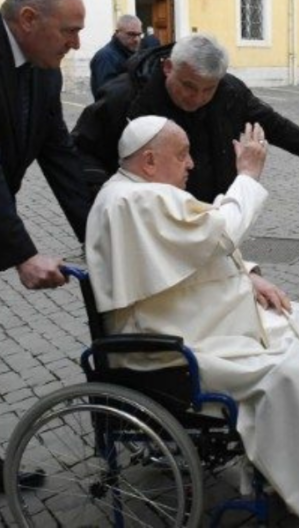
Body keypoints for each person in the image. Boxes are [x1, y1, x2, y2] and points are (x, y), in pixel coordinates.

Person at [85, 116, 299, 528]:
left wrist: (248, 276)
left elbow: (195, 248)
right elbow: (219, 232)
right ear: (149, 160)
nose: (191, 163)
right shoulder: (133, 200)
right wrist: (247, 175)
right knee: (286, 371)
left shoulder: (142, 192)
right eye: (182, 154)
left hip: (193, 315)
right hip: (167, 345)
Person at [73, 33, 299, 202]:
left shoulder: (229, 91)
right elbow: (82, 151)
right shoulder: (124, 97)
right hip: (151, 222)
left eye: (208, 89)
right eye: (189, 86)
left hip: (211, 213)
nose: (197, 97)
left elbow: (272, 123)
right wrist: (103, 200)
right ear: (168, 68)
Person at [0, 0, 90, 492]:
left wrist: (100, 236)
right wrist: (22, 253)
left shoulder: (44, 70)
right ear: (29, 20)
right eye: (70, 31)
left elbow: (60, 155)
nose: (76, 43)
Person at [89, 14, 142, 98]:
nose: (136, 39)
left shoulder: (131, 53)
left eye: (139, 35)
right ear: (117, 33)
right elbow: (108, 94)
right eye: (131, 34)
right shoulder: (105, 57)